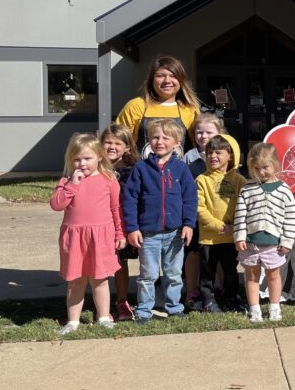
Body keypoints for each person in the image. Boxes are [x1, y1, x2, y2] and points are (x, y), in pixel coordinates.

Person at [122, 118, 197, 323]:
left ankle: (174, 307)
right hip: (148, 234)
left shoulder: (181, 169)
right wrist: (132, 228)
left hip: (175, 233)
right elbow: (130, 200)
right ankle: (144, 310)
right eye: (155, 137)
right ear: (148, 141)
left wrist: (189, 224)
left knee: (173, 274)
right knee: (148, 275)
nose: (160, 141)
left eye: (166, 137)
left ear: (177, 142)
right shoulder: (141, 169)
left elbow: (190, 199)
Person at [50, 133, 126, 335]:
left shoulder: (109, 180)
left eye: (87, 158)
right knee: (76, 280)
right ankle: (73, 321)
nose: (82, 163)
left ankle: (103, 317)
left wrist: (120, 234)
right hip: (75, 238)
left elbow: (116, 209)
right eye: (77, 159)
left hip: (101, 237)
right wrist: (72, 184)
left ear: (100, 156)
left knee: (100, 279)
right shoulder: (66, 181)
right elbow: (57, 205)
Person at [182, 112, 240, 311]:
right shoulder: (190, 161)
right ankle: (200, 296)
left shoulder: (236, 178)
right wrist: (217, 224)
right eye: (199, 132)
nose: (203, 136)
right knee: (202, 264)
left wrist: (236, 226)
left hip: (229, 232)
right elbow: (197, 203)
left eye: (208, 132)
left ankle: (229, 295)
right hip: (204, 227)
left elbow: (241, 202)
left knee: (229, 267)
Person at [234, 143, 295, 323]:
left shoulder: (284, 190)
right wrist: (239, 236)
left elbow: (290, 218)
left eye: (266, 167)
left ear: (275, 165)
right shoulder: (247, 188)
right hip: (251, 243)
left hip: (273, 245)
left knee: (273, 276)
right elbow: (240, 214)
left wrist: (286, 241)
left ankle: (274, 307)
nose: (261, 172)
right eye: (257, 168)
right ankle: (254, 309)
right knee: (252, 276)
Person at [197, 135, 246, 313]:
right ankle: (208, 300)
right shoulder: (202, 180)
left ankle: (233, 298)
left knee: (231, 271)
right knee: (207, 273)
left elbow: (246, 205)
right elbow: (199, 208)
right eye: (209, 152)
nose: (213, 156)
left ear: (231, 155)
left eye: (218, 152)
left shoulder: (239, 181)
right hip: (209, 238)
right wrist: (219, 226)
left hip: (231, 237)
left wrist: (237, 228)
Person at [115, 55, 201, 157]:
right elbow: (117, 141)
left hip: (181, 172)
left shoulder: (190, 109)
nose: (167, 80)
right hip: (141, 172)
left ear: (181, 81)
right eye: (160, 76)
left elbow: (204, 145)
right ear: (152, 80)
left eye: (173, 76)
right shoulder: (136, 106)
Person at [99, 124, 138, 321]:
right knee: (99, 263)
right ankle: (101, 302)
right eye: (107, 142)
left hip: (122, 223)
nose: (112, 147)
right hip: (99, 224)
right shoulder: (94, 168)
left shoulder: (133, 170)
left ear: (127, 147)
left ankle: (122, 301)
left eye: (117, 143)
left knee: (119, 262)